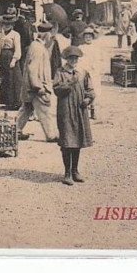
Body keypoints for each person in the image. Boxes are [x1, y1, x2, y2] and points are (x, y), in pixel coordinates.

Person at [53, 46, 94, 186]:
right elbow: (56, 89)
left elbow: (90, 89)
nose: (74, 60)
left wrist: (88, 99)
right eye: (71, 58)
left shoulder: (83, 73)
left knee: (77, 140)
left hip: (80, 110)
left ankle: (75, 171)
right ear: (66, 59)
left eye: (76, 58)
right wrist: (70, 83)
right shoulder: (60, 72)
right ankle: (67, 173)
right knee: (67, 141)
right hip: (65, 110)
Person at [16, 22, 59, 141]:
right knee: (45, 109)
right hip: (36, 86)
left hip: (30, 86)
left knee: (26, 108)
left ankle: (16, 131)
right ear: (46, 35)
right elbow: (32, 68)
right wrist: (38, 86)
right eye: (50, 34)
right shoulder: (38, 48)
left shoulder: (36, 46)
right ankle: (51, 135)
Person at [0, 14, 23, 110]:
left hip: (11, 57)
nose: (6, 26)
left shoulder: (15, 34)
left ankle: (15, 103)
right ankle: (6, 102)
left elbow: (18, 49)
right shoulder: (2, 34)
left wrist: (14, 60)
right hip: (3, 57)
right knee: (5, 80)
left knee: (13, 80)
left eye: (9, 24)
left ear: (12, 25)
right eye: (4, 24)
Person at [77, 26, 105, 114]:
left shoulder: (96, 47)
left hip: (93, 70)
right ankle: (84, 107)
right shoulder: (81, 47)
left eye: (89, 37)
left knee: (94, 88)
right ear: (83, 38)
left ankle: (93, 108)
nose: (88, 38)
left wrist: (97, 68)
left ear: (92, 37)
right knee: (83, 88)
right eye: (86, 37)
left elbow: (99, 59)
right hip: (83, 69)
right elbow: (78, 59)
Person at [14, 4, 34, 71]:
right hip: (24, 45)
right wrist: (29, 43)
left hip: (17, 44)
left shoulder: (15, 21)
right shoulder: (25, 23)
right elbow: (27, 35)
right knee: (23, 61)